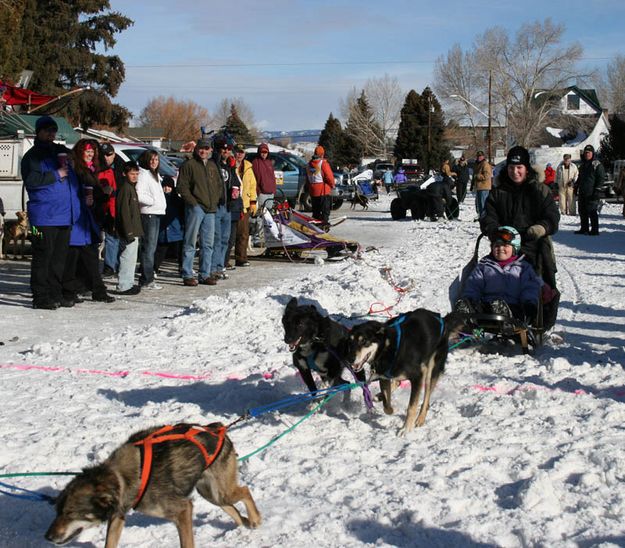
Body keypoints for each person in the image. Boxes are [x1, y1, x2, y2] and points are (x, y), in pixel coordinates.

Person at [480, 145, 560, 289]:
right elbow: (488, 216)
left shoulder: (539, 190)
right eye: (511, 167)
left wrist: (542, 228)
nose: (515, 172)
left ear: (526, 168)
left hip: (535, 247)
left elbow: (552, 216)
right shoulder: (498, 192)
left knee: (544, 289)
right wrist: (494, 231)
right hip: (505, 247)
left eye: (519, 167)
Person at [21, 116, 77, 309]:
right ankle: (40, 297)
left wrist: (72, 159)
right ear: (38, 132)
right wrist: (57, 174)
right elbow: (31, 181)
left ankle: (56, 293)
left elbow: (75, 156)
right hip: (42, 217)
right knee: (42, 257)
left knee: (59, 260)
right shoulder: (32, 156)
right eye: (46, 130)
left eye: (53, 131)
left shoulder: (58, 152)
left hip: (63, 216)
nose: (50, 134)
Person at [62, 139, 114, 304]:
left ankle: (85, 289)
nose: (90, 154)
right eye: (87, 151)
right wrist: (98, 194)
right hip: (78, 220)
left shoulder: (90, 169)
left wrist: (102, 194)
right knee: (76, 257)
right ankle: (77, 291)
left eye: (92, 151)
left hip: (87, 219)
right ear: (80, 152)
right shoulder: (77, 170)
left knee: (85, 257)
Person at [455, 226, 542, 323]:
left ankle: (505, 317)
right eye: (496, 246)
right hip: (487, 305)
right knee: (477, 308)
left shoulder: (523, 268)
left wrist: (529, 303)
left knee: (521, 312)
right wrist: (469, 299)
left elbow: (530, 287)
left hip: (514, 306)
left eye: (505, 245)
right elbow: (474, 285)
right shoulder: (484, 266)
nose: (500, 248)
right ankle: (466, 315)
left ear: (514, 248)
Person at [176, 138, 222, 287]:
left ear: (210, 150)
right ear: (196, 149)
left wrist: (215, 201)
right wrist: (193, 203)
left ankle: (205, 274)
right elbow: (182, 187)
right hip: (196, 208)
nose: (203, 151)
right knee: (190, 242)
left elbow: (219, 185)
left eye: (206, 148)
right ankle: (187, 274)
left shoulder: (212, 166)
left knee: (208, 244)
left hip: (210, 210)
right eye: (201, 148)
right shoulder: (189, 165)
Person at [136, 149, 167, 288]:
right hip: (149, 213)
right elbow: (139, 194)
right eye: (151, 159)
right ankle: (147, 279)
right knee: (148, 248)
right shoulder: (143, 174)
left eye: (156, 159)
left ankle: (147, 276)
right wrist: (152, 201)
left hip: (156, 213)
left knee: (151, 247)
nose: (154, 162)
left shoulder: (154, 175)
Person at [114, 161, 143, 295]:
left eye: (137, 174)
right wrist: (128, 231)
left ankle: (129, 283)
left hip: (134, 229)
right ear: (125, 174)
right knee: (127, 257)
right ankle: (124, 285)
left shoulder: (131, 188)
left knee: (131, 258)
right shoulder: (125, 188)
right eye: (132, 174)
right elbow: (124, 212)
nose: (135, 176)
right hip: (129, 231)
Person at [99, 143, 125, 277]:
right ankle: (109, 266)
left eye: (109, 154)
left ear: (114, 154)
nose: (106, 157)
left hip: (119, 206)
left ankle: (117, 264)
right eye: (104, 154)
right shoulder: (99, 167)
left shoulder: (121, 166)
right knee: (110, 237)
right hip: (105, 206)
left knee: (119, 237)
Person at [211, 137, 235, 279]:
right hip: (216, 205)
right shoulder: (215, 164)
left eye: (228, 149)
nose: (226, 151)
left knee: (225, 238)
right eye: (223, 149)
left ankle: (220, 266)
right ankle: (213, 267)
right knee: (216, 238)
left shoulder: (229, 166)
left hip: (228, 206)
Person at [154, 176, 184, 276]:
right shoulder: (159, 198)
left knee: (180, 251)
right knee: (161, 250)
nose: (166, 189)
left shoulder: (177, 200)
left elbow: (182, 213)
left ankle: (182, 267)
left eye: (169, 187)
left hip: (176, 229)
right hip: (163, 230)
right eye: (164, 186)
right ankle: (154, 267)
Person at [233, 145, 257, 267]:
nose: (239, 155)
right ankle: (224, 261)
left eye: (242, 152)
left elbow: (253, 185)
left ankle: (241, 258)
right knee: (230, 234)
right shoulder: (230, 165)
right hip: (232, 204)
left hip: (245, 204)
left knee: (243, 233)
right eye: (237, 152)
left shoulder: (248, 167)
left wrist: (253, 201)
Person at [575, 144, 605, 236]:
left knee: (592, 211)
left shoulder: (597, 164)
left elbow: (601, 178)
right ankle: (584, 228)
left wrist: (597, 190)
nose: (587, 154)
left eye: (589, 153)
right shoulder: (583, 165)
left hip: (592, 192)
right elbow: (580, 178)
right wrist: (576, 186)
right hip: (583, 192)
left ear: (592, 153)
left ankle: (594, 230)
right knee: (582, 211)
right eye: (586, 153)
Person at [306, 145, 335, 224]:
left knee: (316, 212)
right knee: (325, 211)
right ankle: (324, 224)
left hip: (313, 191)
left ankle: (315, 225)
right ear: (322, 154)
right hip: (323, 190)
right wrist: (332, 185)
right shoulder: (323, 164)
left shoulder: (309, 164)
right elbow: (329, 176)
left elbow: (307, 178)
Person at [251, 143, 276, 211]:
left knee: (268, 214)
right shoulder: (255, 162)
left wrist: (274, 190)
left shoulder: (269, 162)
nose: (264, 154)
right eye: (262, 152)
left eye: (265, 152)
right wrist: (258, 191)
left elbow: (272, 177)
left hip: (270, 193)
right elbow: (253, 179)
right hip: (262, 193)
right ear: (259, 152)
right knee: (261, 214)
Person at [471, 150, 492, 220]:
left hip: (484, 187)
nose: (479, 157)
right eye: (478, 156)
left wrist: (477, 176)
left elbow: (487, 175)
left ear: (483, 156)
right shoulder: (477, 164)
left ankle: (484, 217)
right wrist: (472, 185)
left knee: (483, 203)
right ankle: (481, 216)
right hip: (479, 187)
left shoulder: (485, 164)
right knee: (478, 204)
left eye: (480, 156)